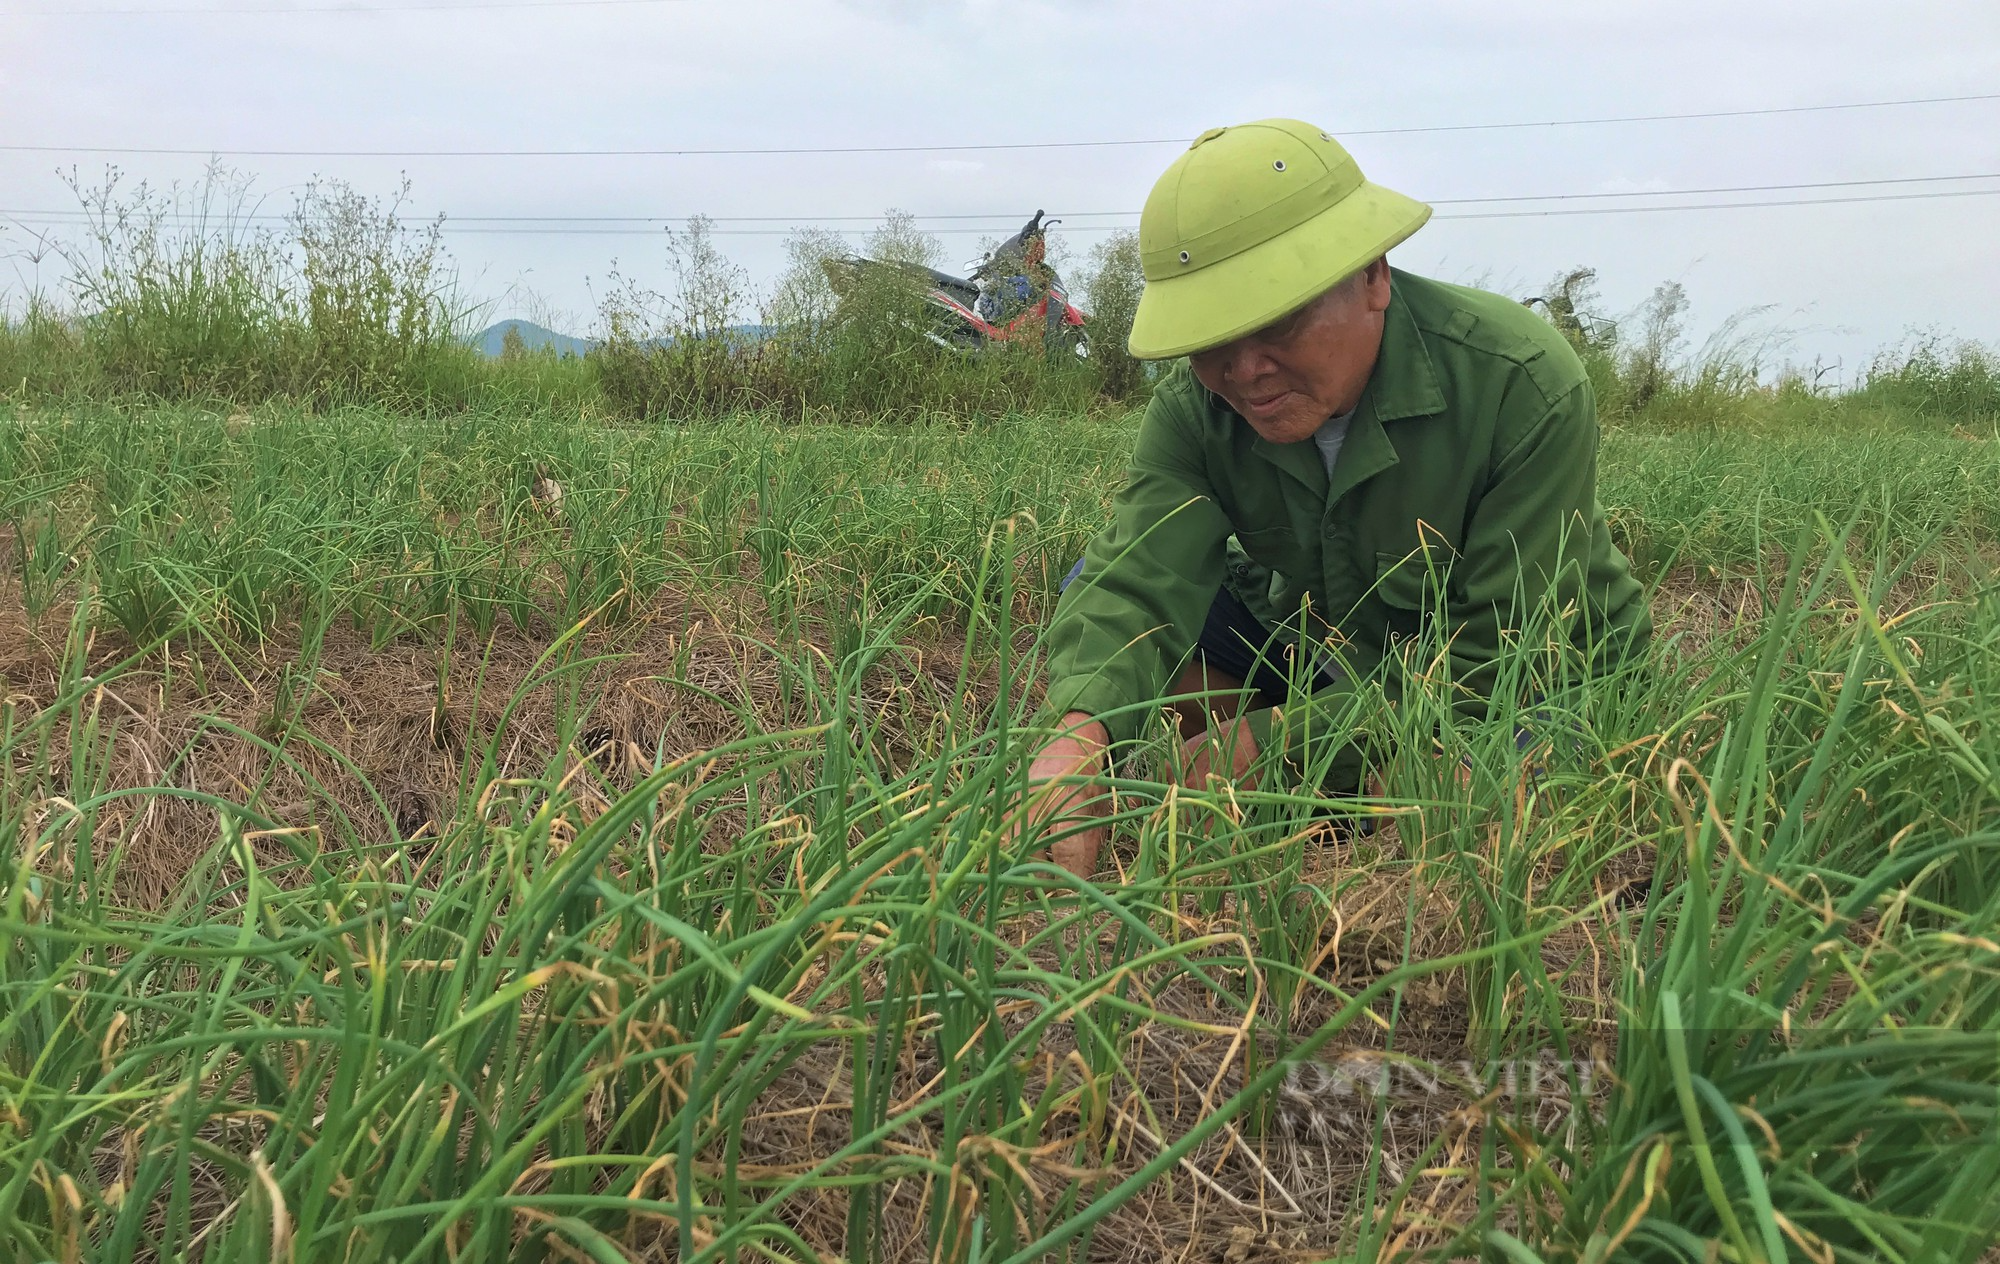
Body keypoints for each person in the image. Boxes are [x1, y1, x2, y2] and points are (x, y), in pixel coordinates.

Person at [1021, 119, 1652, 877]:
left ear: (1374, 277)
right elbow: (1134, 580)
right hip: (1330, 644)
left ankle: (1327, 804)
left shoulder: (1519, 383)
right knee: (1102, 597)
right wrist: (1079, 734)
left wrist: (1283, 740)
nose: (1244, 370)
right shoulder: (1196, 412)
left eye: (1278, 320)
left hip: (1522, 678)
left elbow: (1494, 668)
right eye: (1211, 339)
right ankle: (1288, 808)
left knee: (1459, 790)